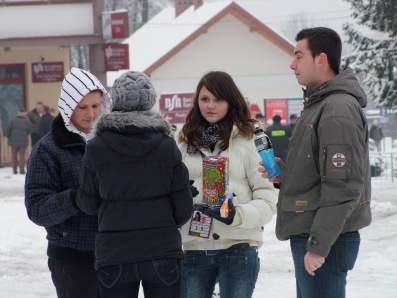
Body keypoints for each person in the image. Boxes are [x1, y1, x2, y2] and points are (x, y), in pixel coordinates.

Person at [259, 27, 371, 298]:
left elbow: (342, 185)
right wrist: (288, 176)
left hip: (325, 237)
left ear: (321, 60)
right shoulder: (320, 104)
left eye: (299, 56)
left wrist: (318, 246)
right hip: (317, 231)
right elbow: (323, 173)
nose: (292, 64)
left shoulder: (337, 110)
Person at [75, 71, 193, 298]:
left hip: (114, 253)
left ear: (115, 101)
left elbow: (88, 204)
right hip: (162, 251)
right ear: (150, 102)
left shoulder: (96, 148)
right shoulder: (167, 146)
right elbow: (183, 209)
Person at [178, 71, 276, 298]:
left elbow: (269, 198)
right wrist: (184, 195)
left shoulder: (256, 139)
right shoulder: (182, 141)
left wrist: (237, 215)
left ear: (231, 101)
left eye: (218, 99)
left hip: (238, 248)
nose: (210, 105)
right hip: (194, 248)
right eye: (204, 99)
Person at [24, 67, 111, 298]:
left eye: (95, 105)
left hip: (116, 254)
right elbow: (37, 209)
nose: (91, 114)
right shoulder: (48, 150)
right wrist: (75, 198)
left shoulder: (113, 142)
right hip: (73, 261)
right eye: (82, 107)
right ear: (67, 107)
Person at [6, 108, 31, 174]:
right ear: (24, 113)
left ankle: (14, 170)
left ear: (18, 113)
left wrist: (9, 136)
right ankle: (22, 170)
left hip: (13, 141)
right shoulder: (27, 121)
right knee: (22, 157)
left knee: (14, 156)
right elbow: (29, 130)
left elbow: (8, 130)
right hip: (23, 141)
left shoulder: (13, 120)